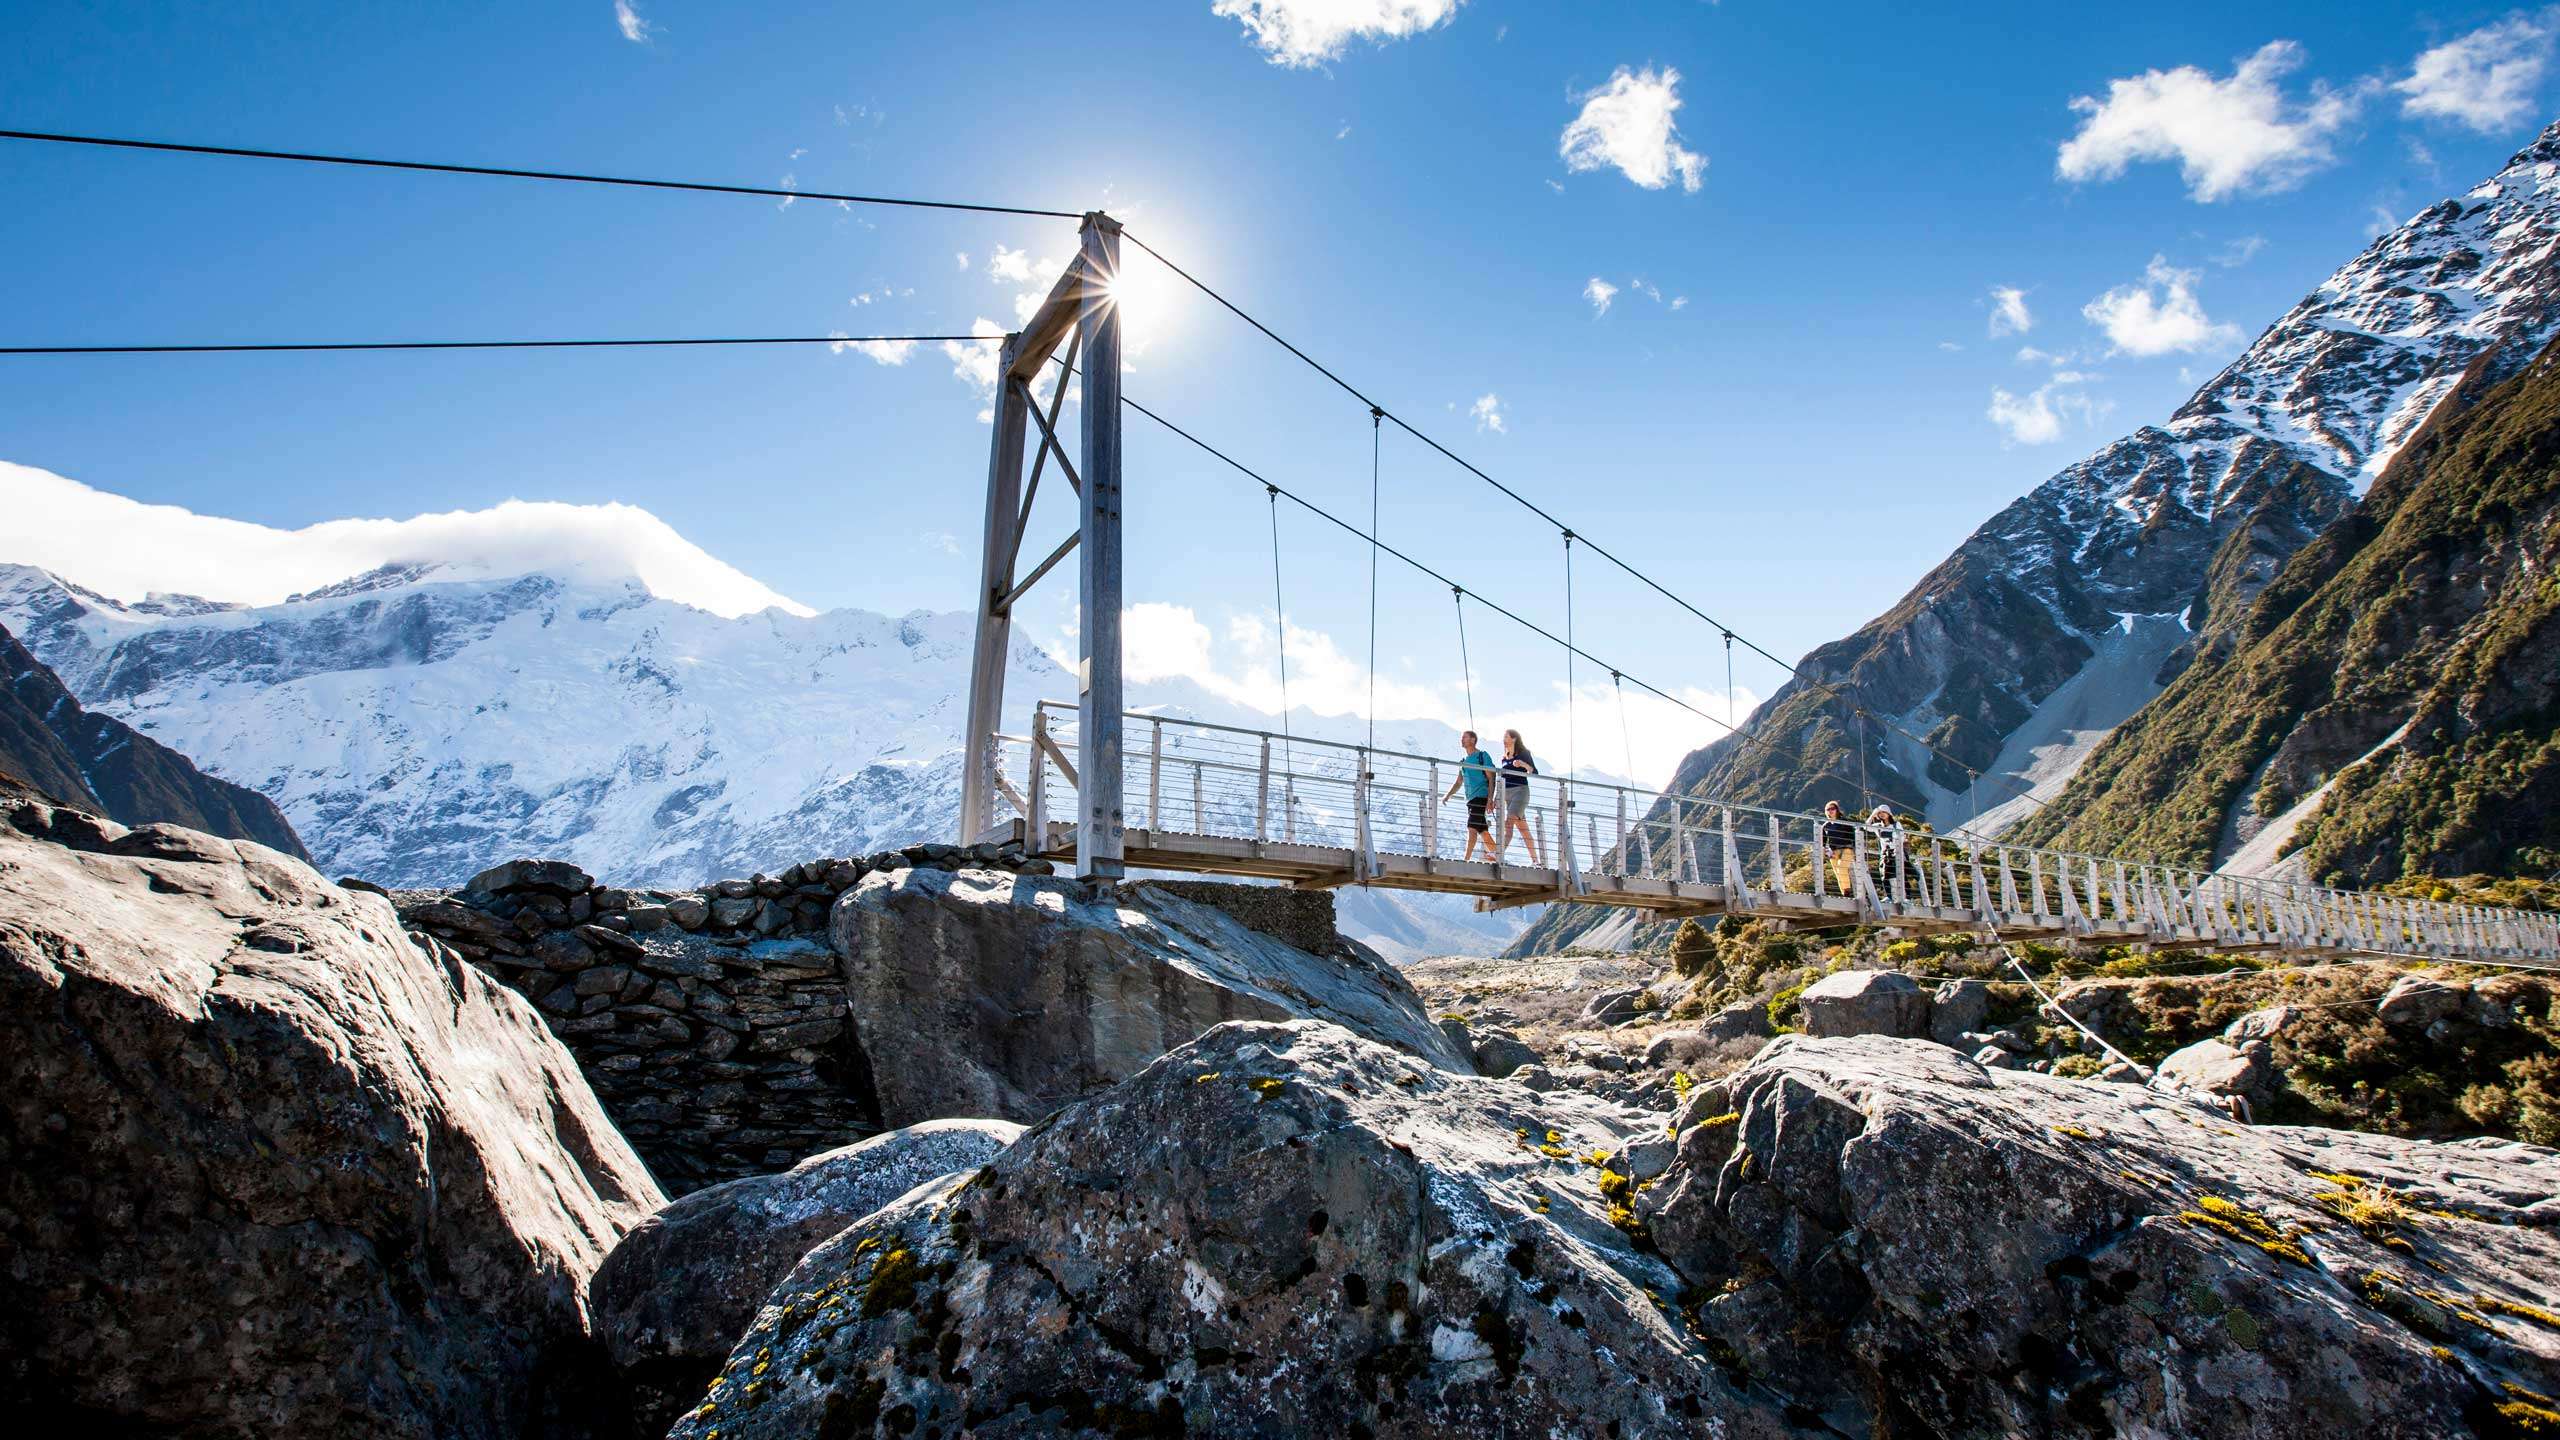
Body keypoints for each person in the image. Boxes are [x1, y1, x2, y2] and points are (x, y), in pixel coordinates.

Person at [1441, 730, 1497, 861]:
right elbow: (1459, 781)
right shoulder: (1463, 762)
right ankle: (1497, 854)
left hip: (1481, 796)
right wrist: (1447, 795)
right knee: (1481, 829)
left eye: (1464, 738)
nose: (1462, 740)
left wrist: (1490, 799)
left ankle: (1465, 860)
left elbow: (1491, 777)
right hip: (1471, 799)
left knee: (1471, 828)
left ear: (1473, 740)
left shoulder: (1482, 756)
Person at [1494, 728, 1543, 865]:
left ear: (1514, 738)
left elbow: (1534, 772)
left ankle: (1498, 854)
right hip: (1507, 795)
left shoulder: (1523, 753)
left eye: (1506, 736)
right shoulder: (1504, 757)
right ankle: (1536, 861)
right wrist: (1496, 799)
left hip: (1520, 792)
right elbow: (1502, 778)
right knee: (1523, 829)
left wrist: (1522, 764)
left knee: (1508, 824)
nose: (1503, 739)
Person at [1821, 800, 1857, 894]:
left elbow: (1852, 835)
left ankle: (1847, 891)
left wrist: (1856, 849)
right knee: (1837, 872)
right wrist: (1825, 850)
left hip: (1847, 849)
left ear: (1837, 810)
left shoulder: (1844, 821)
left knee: (1841, 868)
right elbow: (1823, 841)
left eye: (1832, 809)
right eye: (1828, 809)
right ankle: (1844, 893)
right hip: (1834, 851)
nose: (1830, 811)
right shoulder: (1826, 826)